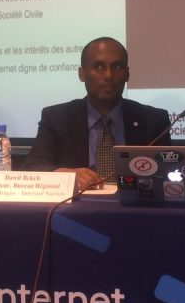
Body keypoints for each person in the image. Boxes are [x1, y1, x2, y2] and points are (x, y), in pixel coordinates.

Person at [23, 36, 171, 191]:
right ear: (82, 74)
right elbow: (32, 168)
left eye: (117, 67)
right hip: (79, 204)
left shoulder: (153, 120)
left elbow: (169, 174)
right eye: (99, 67)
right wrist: (67, 176)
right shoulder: (56, 118)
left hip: (135, 204)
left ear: (127, 74)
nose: (108, 76)